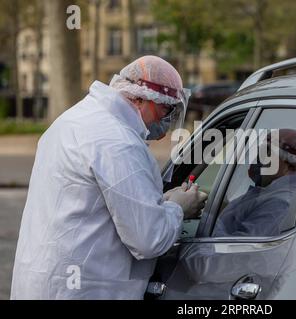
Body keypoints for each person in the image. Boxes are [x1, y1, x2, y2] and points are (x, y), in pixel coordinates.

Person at [11, 56, 207, 300]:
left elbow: (98, 203)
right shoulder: (118, 142)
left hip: (43, 283)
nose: (165, 124)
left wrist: (158, 205)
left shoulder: (71, 121)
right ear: (138, 98)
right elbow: (149, 239)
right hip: (85, 291)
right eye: (166, 109)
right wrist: (178, 208)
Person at [213, 129, 296, 237]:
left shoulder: (280, 203)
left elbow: (241, 250)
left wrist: (209, 220)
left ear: (289, 163)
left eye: (266, 152)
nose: (258, 158)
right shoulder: (268, 194)